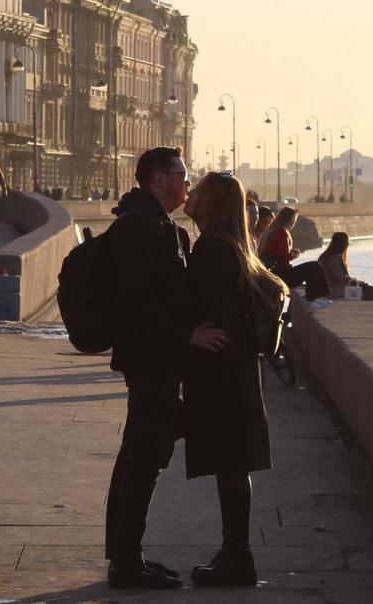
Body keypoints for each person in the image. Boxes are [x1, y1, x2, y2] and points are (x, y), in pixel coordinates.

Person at [103, 146, 225, 590]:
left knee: (140, 455)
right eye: (182, 175)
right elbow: (139, 303)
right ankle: (126, 564)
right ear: (158, 179)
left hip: (155, 359)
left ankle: (126, 556)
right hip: (149, 360)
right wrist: (185, 335)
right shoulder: (138, 229)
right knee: (145, 458)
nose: (187, 183)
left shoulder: (159, 226)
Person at [181, 172, 289, 587]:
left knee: (229, 463)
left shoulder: (211, 248)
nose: (190, 195)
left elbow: (199, 305)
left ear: (214, 203)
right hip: (237, 368)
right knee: (233, 464)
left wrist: (188, 332)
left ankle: (237, 558)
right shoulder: (235, 247)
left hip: (219, 369)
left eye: (200, 191)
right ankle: (234, 553)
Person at [319, 232, 373, 307]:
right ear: (342, 244)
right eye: (347, 242)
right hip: (332, 291)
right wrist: (356, 281)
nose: (348, 244)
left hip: (330, 288)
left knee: (366, 288)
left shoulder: (329, 257)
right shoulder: (332, 259)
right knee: (367, 289)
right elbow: (340, 278)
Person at [256, 206, 301, 280]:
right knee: (314, 266)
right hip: (280, 273)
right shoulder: (282, 232)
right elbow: (285, 257)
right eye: (294, 221)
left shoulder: (270, 231)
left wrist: (291, 252)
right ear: (290, 221)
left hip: (269, 270)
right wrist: (295, 254)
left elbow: (277, 251)